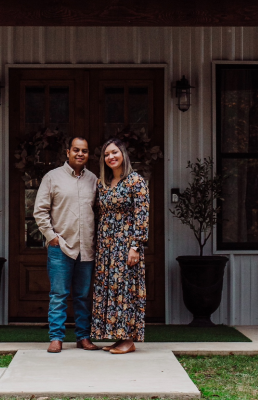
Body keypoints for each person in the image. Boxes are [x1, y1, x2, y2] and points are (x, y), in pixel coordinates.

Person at [34, 137, 101, 354]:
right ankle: (56, 338)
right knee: (59, 294)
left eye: (84, 150)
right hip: (60, 247)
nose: (80, 154)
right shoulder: (52, 177)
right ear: (68, 152)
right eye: (76, 150)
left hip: (87, 248)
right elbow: (40, 210)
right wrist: (51, 236)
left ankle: (83, 337)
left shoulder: (94, 180)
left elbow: (100, 212)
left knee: (83, 296)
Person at [91, 138, 149, 355]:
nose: (111, 157)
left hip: (126, 245)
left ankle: (129, 339)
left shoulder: (136, 181)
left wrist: (135, 246)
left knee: (126, 289)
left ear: (123, 154)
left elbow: (142, 215)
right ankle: (117, 336)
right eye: (106, 154)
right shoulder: (102, 183)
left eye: (114, 152)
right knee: (110, 290)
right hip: (106, 246)